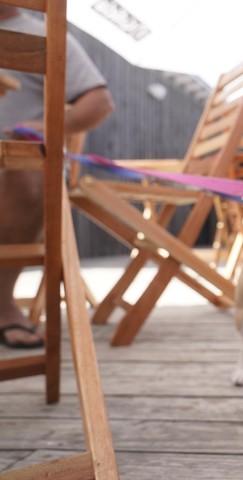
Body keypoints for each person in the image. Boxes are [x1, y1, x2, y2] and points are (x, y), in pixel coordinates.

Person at [0, 6, 114, 348]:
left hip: (22, 166)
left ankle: (3, 304)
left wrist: (43, 128)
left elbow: (99, 101)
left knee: (30, 172)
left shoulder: (46, 33)